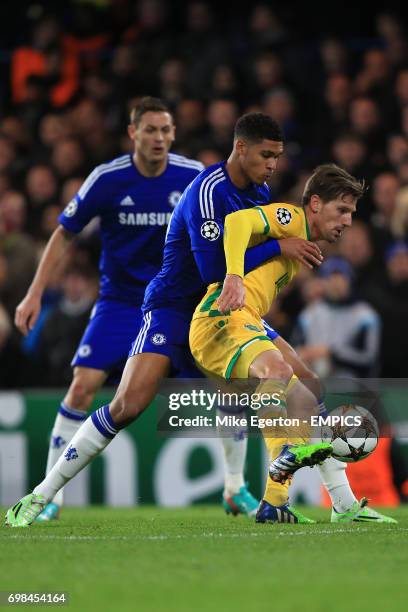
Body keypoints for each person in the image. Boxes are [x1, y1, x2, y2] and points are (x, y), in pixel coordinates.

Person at [4, 112, 336, 528]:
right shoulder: (208, 192)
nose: (272, 165)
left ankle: (311, 499)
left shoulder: (260, 191)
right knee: (127, 405)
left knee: (296, 382)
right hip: (174, 308)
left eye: (277, 157)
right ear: (241, 148)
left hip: (220, 311)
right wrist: (279, 248)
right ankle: (41, 495)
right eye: (266, 155)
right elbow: (215, 269)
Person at [13, 96, 204, 521]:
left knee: (225, 386)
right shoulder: (107, 178)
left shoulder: (192, 177)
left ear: (174, 134)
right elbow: (64, 233)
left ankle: (234, 489)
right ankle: (50, 499)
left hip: (175, 302)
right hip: (120, 302)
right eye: (151, 130)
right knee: (82, 387)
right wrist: (35, 292)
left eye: (166, 130)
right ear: (133, 133)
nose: (159, 138)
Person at [190, 162, 396, 524]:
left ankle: (296, 503)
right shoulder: (290, 217)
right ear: (315, 203)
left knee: (308, 386)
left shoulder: (303, 244)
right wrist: (235, 277)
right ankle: (285, 449)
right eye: (342, 210)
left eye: (351, 213)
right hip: (221, 317)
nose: (347, 222)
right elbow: (237, 223)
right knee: (277, 370)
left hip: (249, 319)